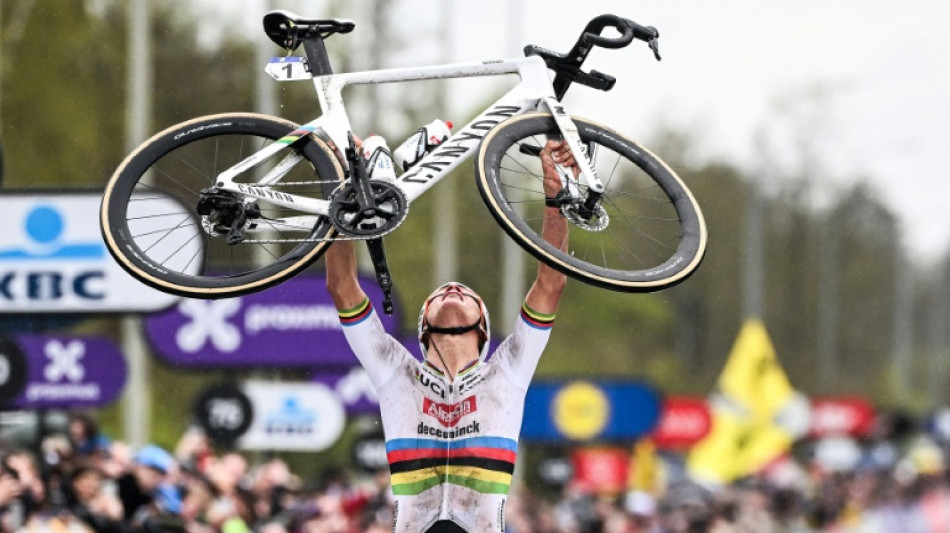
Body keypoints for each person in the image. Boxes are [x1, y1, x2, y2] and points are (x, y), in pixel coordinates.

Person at [325, 139, 575, 532]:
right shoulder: (396, 370)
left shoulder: (507, 369)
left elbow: (551, 283)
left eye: (463, 293)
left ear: (482, 328)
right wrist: (343, 200)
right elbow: (342, 285)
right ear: (424, 328)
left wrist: (554, 196)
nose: (452, 289)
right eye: (441, 293)